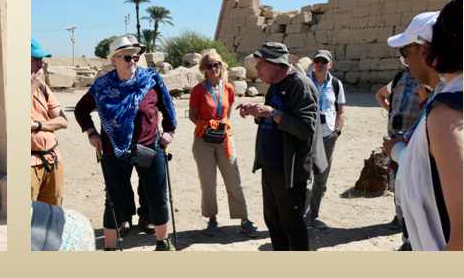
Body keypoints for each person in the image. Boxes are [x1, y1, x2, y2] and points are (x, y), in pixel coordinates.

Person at [74, 37, 178, 251]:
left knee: (157, 197)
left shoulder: (151, 80)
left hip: (149, 146)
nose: (133, 61)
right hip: (113, 150)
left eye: (136, 57)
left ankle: (163, 243)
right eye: (128, 57)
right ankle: (110, 249)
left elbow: (167, 107)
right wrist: (92, 133)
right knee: (115, 200)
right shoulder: (102, 86)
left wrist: (169, 131)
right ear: (114, 60)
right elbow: (81, 110)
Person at [384, 0, 463, 251]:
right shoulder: (445, 95)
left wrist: (397, 151)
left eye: (406, 52)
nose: (405, 60)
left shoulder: (448, 109)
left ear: (427, 50)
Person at [237, 42, 325, 251]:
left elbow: (305, 128)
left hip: (290, 169)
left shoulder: (300, 85)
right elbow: (272, 117)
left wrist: (273, 113)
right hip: (270, 165)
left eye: (260, 63)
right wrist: (257, 112)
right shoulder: (274, 84)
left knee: (292, 225)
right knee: (274, 223)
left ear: (276, 64)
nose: (256, 68)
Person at [188, 50, 257, 238]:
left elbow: (227, 113)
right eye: (209, 65)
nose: (213, 68)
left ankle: (244, 220)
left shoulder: (228, 88)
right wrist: (207, 128)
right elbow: (192, 115)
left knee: (234, 181)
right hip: (204, 141)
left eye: (216, 64)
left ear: (222, 66)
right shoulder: (197, 90)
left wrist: (220, 127)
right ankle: (212, 219)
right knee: (208, 183)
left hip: (225, 139)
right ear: (203, 69)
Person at [376, 49, 428, 245]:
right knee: (396, 179)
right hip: (395, 139)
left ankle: (409, 221)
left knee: (413, 181)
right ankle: (399, 216)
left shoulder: (427, 82)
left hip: (414, 138)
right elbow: (380, 95)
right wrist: (392, 111)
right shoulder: (398, 79)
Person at [305, 50, 346, 229]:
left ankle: (313, 216)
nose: (320, 63)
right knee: (304, 179)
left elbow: (341, 111)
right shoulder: (304, 81)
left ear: (330, 64)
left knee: (321, 180)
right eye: (317, 60)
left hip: (328, 138)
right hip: (306, 136)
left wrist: (337, 131)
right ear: (313, 63)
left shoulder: (336, 84)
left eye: (324, 61)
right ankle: (301, 217)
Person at [31, 38, 67, 206]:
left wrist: (38, 126)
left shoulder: (43, 88)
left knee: (52, 215)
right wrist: (31, 88)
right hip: (30, 164)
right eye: (36, 59)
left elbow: (62, 121)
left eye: (41, 60)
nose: (41, 65)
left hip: (52, 160)